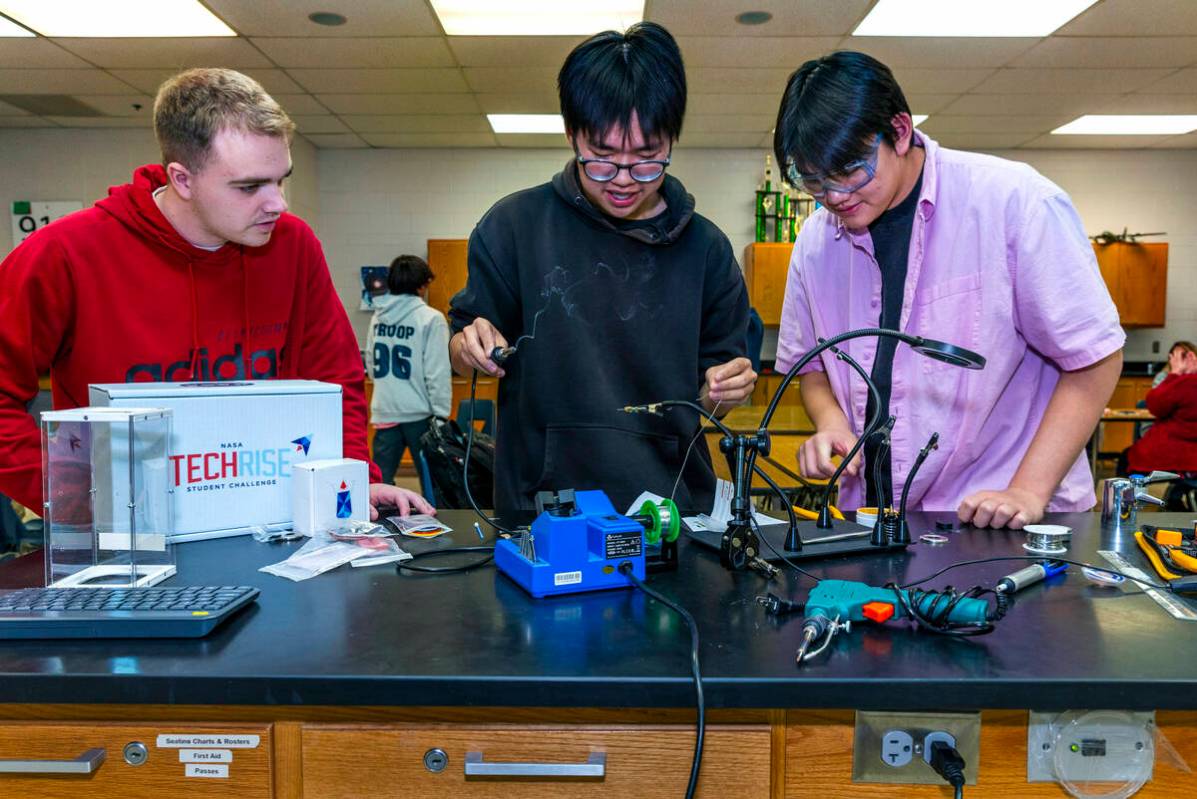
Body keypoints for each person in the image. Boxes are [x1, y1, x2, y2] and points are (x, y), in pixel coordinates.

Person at [0, 68, 431, 520]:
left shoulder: (293, 245)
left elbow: (335, 380)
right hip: (130, 533)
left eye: (280, 179)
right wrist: (74, 496)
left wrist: (352, 477)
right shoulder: (66, 253)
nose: (277, 203)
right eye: (249, 186)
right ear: (182, 179)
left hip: (269, 517)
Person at [772, 51, 1124, 529]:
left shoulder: (1013, 203)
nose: (834, 197)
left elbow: (1095, 359)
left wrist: (1027, 490)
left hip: (1003, 522)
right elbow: (813, 367)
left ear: (899, 130)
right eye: (811, 180)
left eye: (851, 170)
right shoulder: (816, 241)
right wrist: (831, 422)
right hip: (875, 521)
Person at [448, 22, 755, 512]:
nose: (624, 181)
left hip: (670, 510)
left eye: (648, 160)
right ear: (572, 135)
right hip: (543, 509)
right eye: (603, 159)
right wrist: (469, 346)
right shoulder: (514, 227)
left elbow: (712, 400)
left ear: (672, 141)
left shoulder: (708, 250)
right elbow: (464, 350)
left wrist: (728, 389)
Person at [367, 255, 452, 487]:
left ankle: (380, 524)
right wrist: (441, 414)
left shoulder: (378, 317)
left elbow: (372, 368)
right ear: (422, 285)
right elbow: (437, 371)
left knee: (379, 486)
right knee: (433, 483)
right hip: (419, 416)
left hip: (385, 411)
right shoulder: (431, 319)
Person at [1124, 342, 1197, 478]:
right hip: (1188, 456)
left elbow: (1154, 405)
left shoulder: (1181, 382)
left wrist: (1175, 374)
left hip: (1176, 456)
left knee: (1129, 457)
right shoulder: (1179, 381)